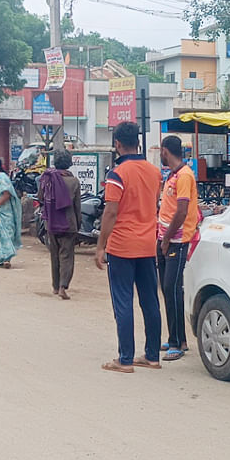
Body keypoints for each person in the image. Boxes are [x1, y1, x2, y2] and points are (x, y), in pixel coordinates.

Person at [95, 121, 163, 373]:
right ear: (138, 142)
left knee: (123, 302)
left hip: (122, 246)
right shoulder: (154, 171)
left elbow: (111, 212)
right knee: (150, 301)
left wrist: (100, 246)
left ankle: (125, 359)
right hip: (147, 244)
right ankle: (152, 356)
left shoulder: (117, 174)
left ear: (118, 144)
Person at [157, 135, 200, 362]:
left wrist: (167, 239)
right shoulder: (173, 175)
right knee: (169, 290)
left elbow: (181, 211)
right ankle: (177, 338)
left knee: (171, 287)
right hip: (165, 238)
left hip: (177, 240)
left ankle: (177, 343)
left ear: (165, 151)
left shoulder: (184, 176)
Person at [38, 150, 82, 299]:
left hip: (51, 221)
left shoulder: (47, 178)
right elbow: (77, 206)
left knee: (54, 254)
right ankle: (63, 286)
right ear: (69, 163)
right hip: (69, 223)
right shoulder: (74, 181)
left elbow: (41, 198)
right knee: (66, 255)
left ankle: (55, 287)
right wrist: (78, 223)